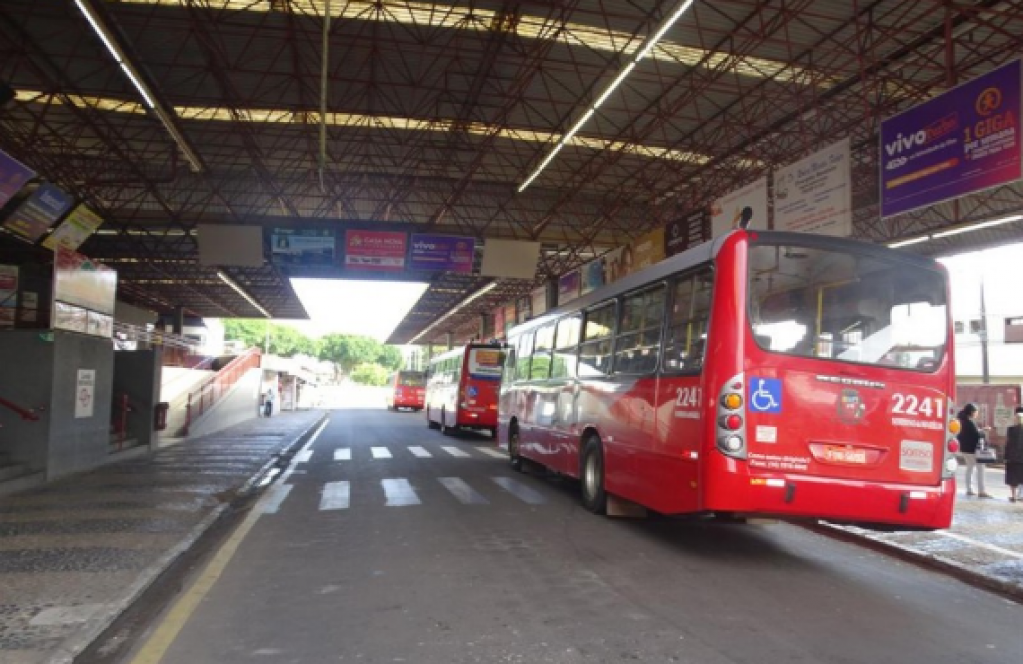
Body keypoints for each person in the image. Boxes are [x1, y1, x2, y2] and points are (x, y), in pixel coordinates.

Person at [956, 403, 991, 498]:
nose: (977, 414)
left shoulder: (962, 420)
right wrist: (984, 430)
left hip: (965, 449)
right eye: (976, 412)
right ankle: (982, 490)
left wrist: (980, 430)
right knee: (981, 468)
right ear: (971, 412)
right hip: (973, 449)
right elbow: (976, 434)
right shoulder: (970, 422)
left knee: (970, 468)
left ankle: (969, 489)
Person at [1005, 406, 1023, 503]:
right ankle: (1021, 495)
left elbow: (1008, 444)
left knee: (1012, 478)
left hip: (1012, 457)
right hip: (1021, 458)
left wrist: (1006, 456)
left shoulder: (1010, 429)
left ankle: (1014, 496)